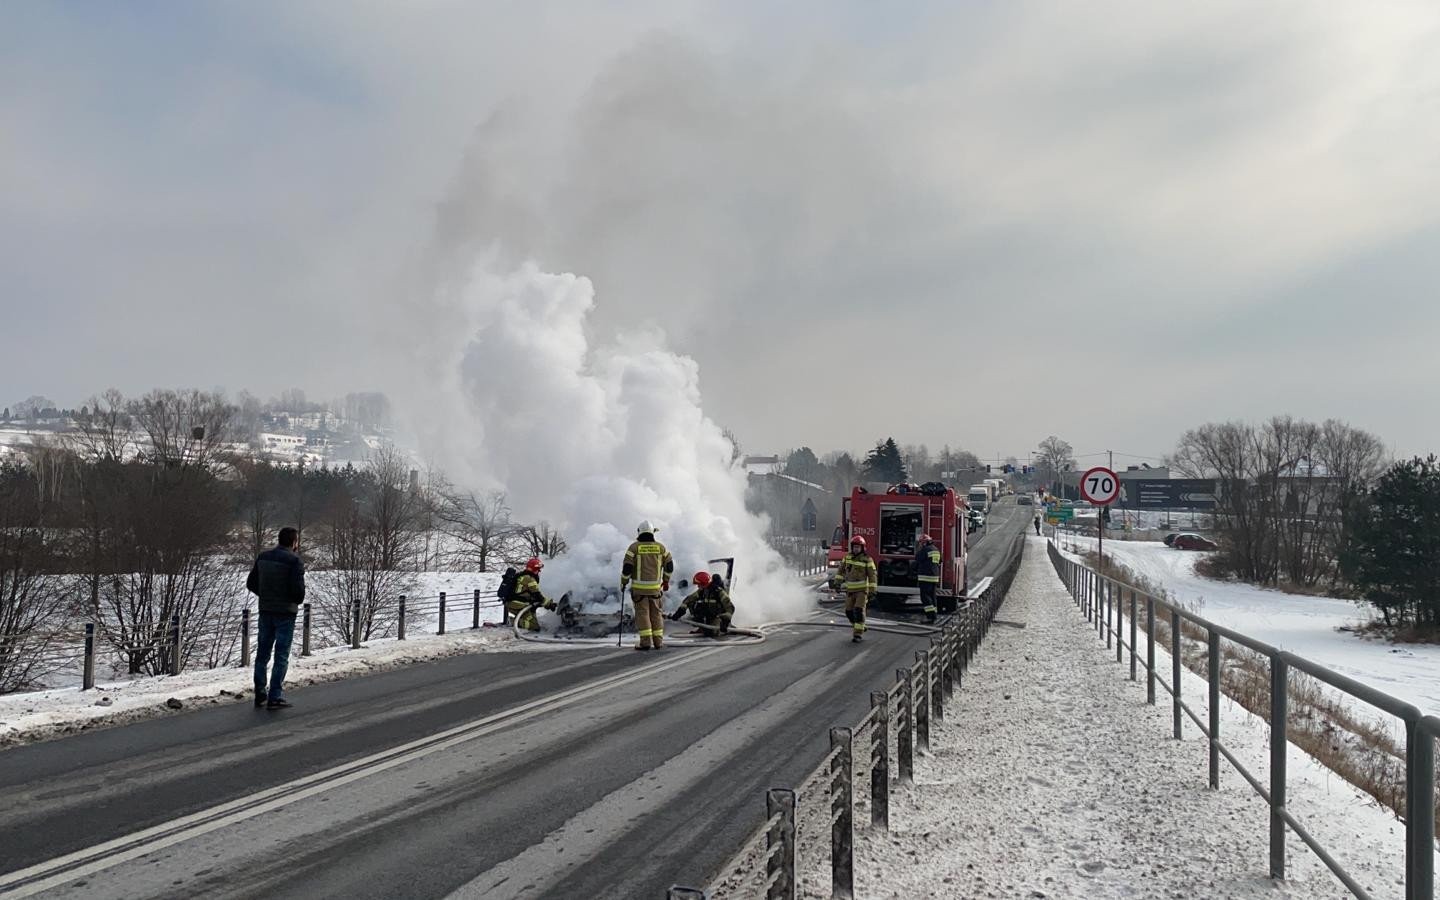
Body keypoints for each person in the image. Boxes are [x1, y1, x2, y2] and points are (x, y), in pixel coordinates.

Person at [247, 526, 305, 710]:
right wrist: (290, 599)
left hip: (265, 610)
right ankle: (275, 695)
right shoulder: (294, 561)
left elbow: (251, 583)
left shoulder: (263, 557)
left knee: (262, 654)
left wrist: (265, 595)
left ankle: (260, 692)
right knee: (281, 655)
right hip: (285, 613)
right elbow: (299, 593)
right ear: (294, 542)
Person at [622, 520, 674, 650]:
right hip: (655, 590)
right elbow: (669, 566)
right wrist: (666, 580)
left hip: (639, 590)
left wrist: (623, 582)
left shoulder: (633, 548)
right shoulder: (661, 548)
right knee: (656, 614)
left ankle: (645, 642)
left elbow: (627, 568)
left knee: (643, 614)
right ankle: (658, 642)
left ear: (639, 532)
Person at [837, 536, 877, 643]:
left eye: (858, 547)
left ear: (862, 548)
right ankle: (860, 626)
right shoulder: (847, 558)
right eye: (854, 547)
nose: (856, 549)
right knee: (848, 612)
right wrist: (837, 583)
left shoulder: (867, 560)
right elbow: (840, 571)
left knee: (858, 611)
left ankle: (857, 635)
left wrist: (872, 590)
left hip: (862, 591)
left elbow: (872, 576)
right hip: (850, 591)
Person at [670, 571, 734, 637]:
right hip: (709, 616)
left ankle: (726, 628)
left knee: (712, 633)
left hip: (718, 617)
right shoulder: (702, 591)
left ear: (704, 584)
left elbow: (730, 607)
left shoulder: (719, 592)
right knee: (696, 606)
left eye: (699, 584)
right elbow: (688, 599)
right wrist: (679, 612)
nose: (698, 586)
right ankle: (702, 628)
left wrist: (725, 621)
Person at [508, 557, 556, 631]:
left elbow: (533, 595)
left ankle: (520, 619)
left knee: (532, 619)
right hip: (516, 604)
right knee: (534, 626)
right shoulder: (529, 579)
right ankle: (512, 621)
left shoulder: (524, 575)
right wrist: (548, 604)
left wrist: (546, 603)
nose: (539, 571)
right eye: (538, 569)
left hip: (516, 602)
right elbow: (537, 595)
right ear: (533, 569)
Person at [915, 534, 941, 624]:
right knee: (933, 597)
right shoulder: (936, 549)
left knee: (925, 597)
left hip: (925, 577)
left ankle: (930, 616)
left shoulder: (925, 549)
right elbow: (940, 561)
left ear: (924, 543)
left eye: (921, 543)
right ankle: (934, 615)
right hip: (934, 577)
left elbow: (917, 558)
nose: (921, 544)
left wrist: (919, 549)